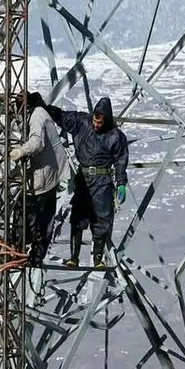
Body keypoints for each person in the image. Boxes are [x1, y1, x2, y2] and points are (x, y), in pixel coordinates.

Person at [46, 96, 128, 268]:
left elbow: (121, 160)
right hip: (84, 178)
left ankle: (98, 258)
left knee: (101, 219)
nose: (96, 125)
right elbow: (62, 116)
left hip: (102, 180)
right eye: (95, 121)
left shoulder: (115, 136)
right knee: (78, 217)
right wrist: (43, 107)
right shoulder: (82, 123)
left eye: (100, 123)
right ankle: (73, 257)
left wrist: (121, 183)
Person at [8, 91, 69, 267]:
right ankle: (26, 250)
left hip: (44, 175)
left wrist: (20, 151)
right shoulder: (39, 112)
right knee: (39, 216)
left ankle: (23, 250)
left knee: (33, 215)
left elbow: (36, 144)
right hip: (47, 173)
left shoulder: (36, 117)